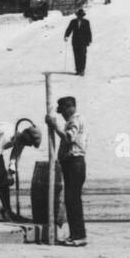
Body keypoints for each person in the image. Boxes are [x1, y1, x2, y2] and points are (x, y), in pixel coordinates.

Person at [0, 122, 42, 222]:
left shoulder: (22, 140)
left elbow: (15, 156)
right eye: (30, 142)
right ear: (26, 134)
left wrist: (11, 172)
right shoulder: (8, 135)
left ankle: (7, 211)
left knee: (3, 180)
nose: (29, 145)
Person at [46, 96, 88, 247]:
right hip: (72, 164)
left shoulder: (75, 119)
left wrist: (55, 126)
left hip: (74, 163)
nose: (62, 115)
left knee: (73, 200)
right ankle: (77, 234)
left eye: (63, 111)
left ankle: (79, 236)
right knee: (72, 200)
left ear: (69, 108)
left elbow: (69, 138)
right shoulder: (73, 120)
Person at [65, 7, 92, 75]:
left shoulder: (86, 22)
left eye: (81, 16)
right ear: (77, 16)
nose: (80, 17)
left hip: (83, 42)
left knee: (83, 56)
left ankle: (82, 70)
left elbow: (88, 32)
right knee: (76, 55)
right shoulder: (73, 21)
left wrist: (89, 40)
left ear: (83, 16)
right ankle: (78, 70)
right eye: (79, 16)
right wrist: (66, 36)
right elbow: (69, 29)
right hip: (75, 41)